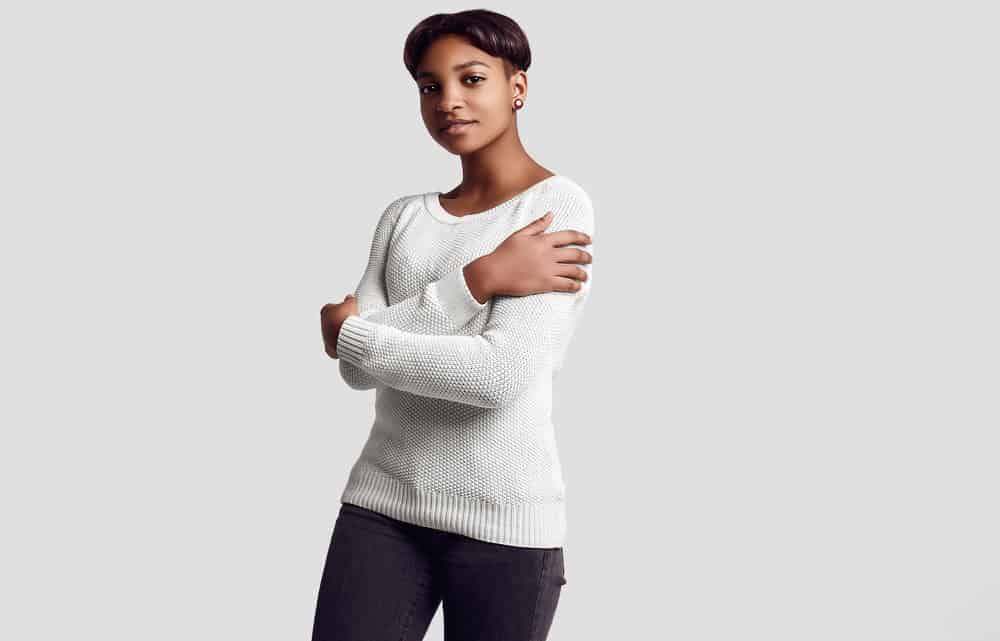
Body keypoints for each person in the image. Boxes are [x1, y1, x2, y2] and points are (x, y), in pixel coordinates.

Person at [314, 9, 596, 641]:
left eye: (472, 79)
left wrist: (351, 331)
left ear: (517, 86)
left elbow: (497, 375)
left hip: (506, 525)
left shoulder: (555, 206)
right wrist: (479, 280)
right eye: (429, 85)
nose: (448, 101)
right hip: (380, 508)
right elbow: (358, 373)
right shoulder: (402, 217)